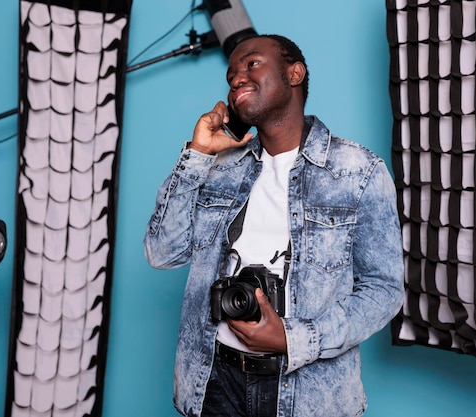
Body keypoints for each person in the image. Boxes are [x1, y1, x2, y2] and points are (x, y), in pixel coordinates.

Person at [143, 34, 404, 417]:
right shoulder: (219, 169)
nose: (236, 79)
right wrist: (197, 154)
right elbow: (162, 253)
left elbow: (383, 290)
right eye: (231, 74)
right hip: (213, 382)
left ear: (294, 73)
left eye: (251, 64)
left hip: (308, 394)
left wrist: (293, 338)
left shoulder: (358, 172)